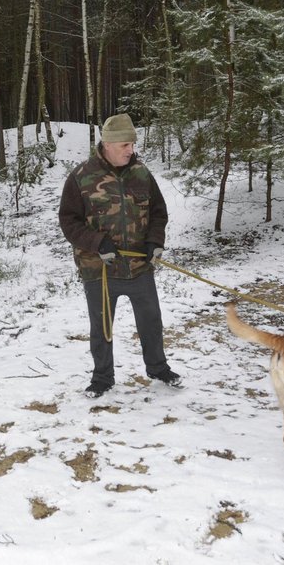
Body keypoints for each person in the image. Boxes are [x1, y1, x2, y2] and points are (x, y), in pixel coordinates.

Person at [58, 113, 182, 398]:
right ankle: (102, 377)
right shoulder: (81, 177)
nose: (131, 150)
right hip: (99, 269)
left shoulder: (141, 173)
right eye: (125, 145)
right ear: (108, 144)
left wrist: (154, 242)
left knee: (151, 321)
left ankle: (158, 368)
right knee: (101, 327)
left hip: (139, 266)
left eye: (132, 144)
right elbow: (69, 220)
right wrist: (97, 242)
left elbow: (158, 212)